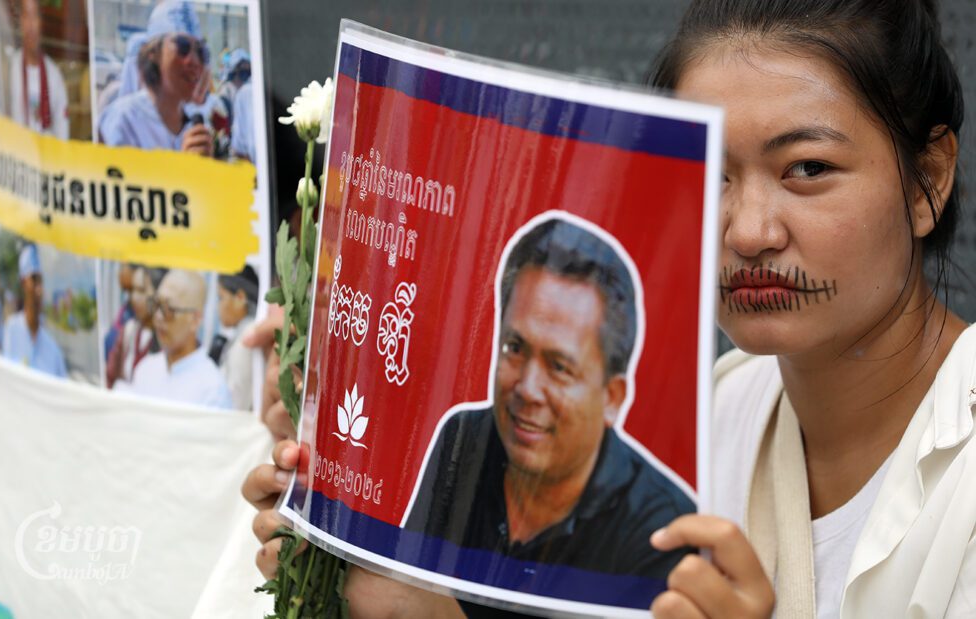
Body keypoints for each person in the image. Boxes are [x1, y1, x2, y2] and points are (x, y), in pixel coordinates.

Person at [245, 0, 975, 616]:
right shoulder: (716, 418)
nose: (750, 230)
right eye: (710, 174)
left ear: (928, 182)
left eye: (807, 169)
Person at [404, 218, 694, 579]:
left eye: (559, 367)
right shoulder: (464, 442)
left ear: (613, 397)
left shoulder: (662, 532)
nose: (527, 388)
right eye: (514, 348)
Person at [98, 0, 213, 156]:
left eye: (201, 52)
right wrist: (184, 167)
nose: (194, 61)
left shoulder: (194, 125)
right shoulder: (123, 120)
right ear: (153, 53)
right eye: (182, 46)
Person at [118, 269, 232, 409]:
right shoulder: (145, 370)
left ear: (195, 319)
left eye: (168, 309)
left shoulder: (212, 390)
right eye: (156, 305)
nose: (158, 317)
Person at [1, 244, 66, 378]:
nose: (39, 289)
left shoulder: (52, 348)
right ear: (23, 283)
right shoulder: (11, 330)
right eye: (34, 280)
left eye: (41, 281)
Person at [7, 0, 68, 139]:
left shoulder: (54, 76)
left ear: (41, 22)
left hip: (46, 157)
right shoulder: (10, 69)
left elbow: (63, 132)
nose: (31, 25)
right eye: (26, 16)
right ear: (20, 22)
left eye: (35, 16)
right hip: (14, 156)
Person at [106, 265, 163, 388]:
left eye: (141, 290)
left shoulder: (168, 340)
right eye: (132, 290)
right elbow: (110, 377)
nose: (134, 297)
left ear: (160, 294)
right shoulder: (128, 330)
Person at [211, 265, 258, 411]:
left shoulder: (246, 338)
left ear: (240, 298)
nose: (218, 306)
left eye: (221, 297)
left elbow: (237, 405)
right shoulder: (243, 334)